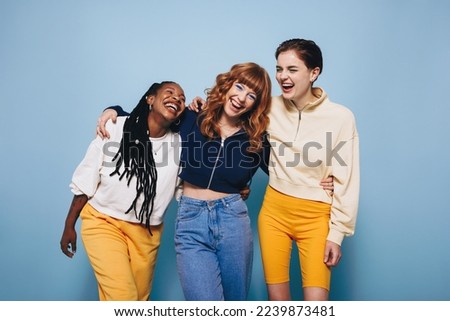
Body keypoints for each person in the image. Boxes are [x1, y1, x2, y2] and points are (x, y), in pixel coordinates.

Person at [97, 63, 334, 301]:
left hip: (233, 221)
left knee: (235, 304)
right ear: (227, 84)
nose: (241, 98)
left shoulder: (255, 138)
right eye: (239, 87)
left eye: (251, 95)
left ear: (256, 104)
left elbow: (286, 170)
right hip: (190, 221)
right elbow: (149, 117)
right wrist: (114, 110)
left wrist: (321, 181)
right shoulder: (191, 118)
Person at [60, 81, 186, 301]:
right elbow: (86, 179)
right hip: (103, 222)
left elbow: (189, 187)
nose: (177, 98)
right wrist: (69, 224)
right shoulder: (116, 127)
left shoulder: (181, 144)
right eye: (170, 92)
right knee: (123, 297)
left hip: (148, 233)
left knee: (138, 301)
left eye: (182, 98)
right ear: (150, 99)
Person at [257, 38, 360, 301]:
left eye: (292, 69)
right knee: (278, 304)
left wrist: (337, 233)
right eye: (279, 69)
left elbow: (347, 180)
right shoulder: (268, 106)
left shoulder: (341, 117)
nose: (282, 76)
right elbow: (229, 118)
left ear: (314, 73)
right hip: (274, 213)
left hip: (316, 217)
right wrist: (196, 108)